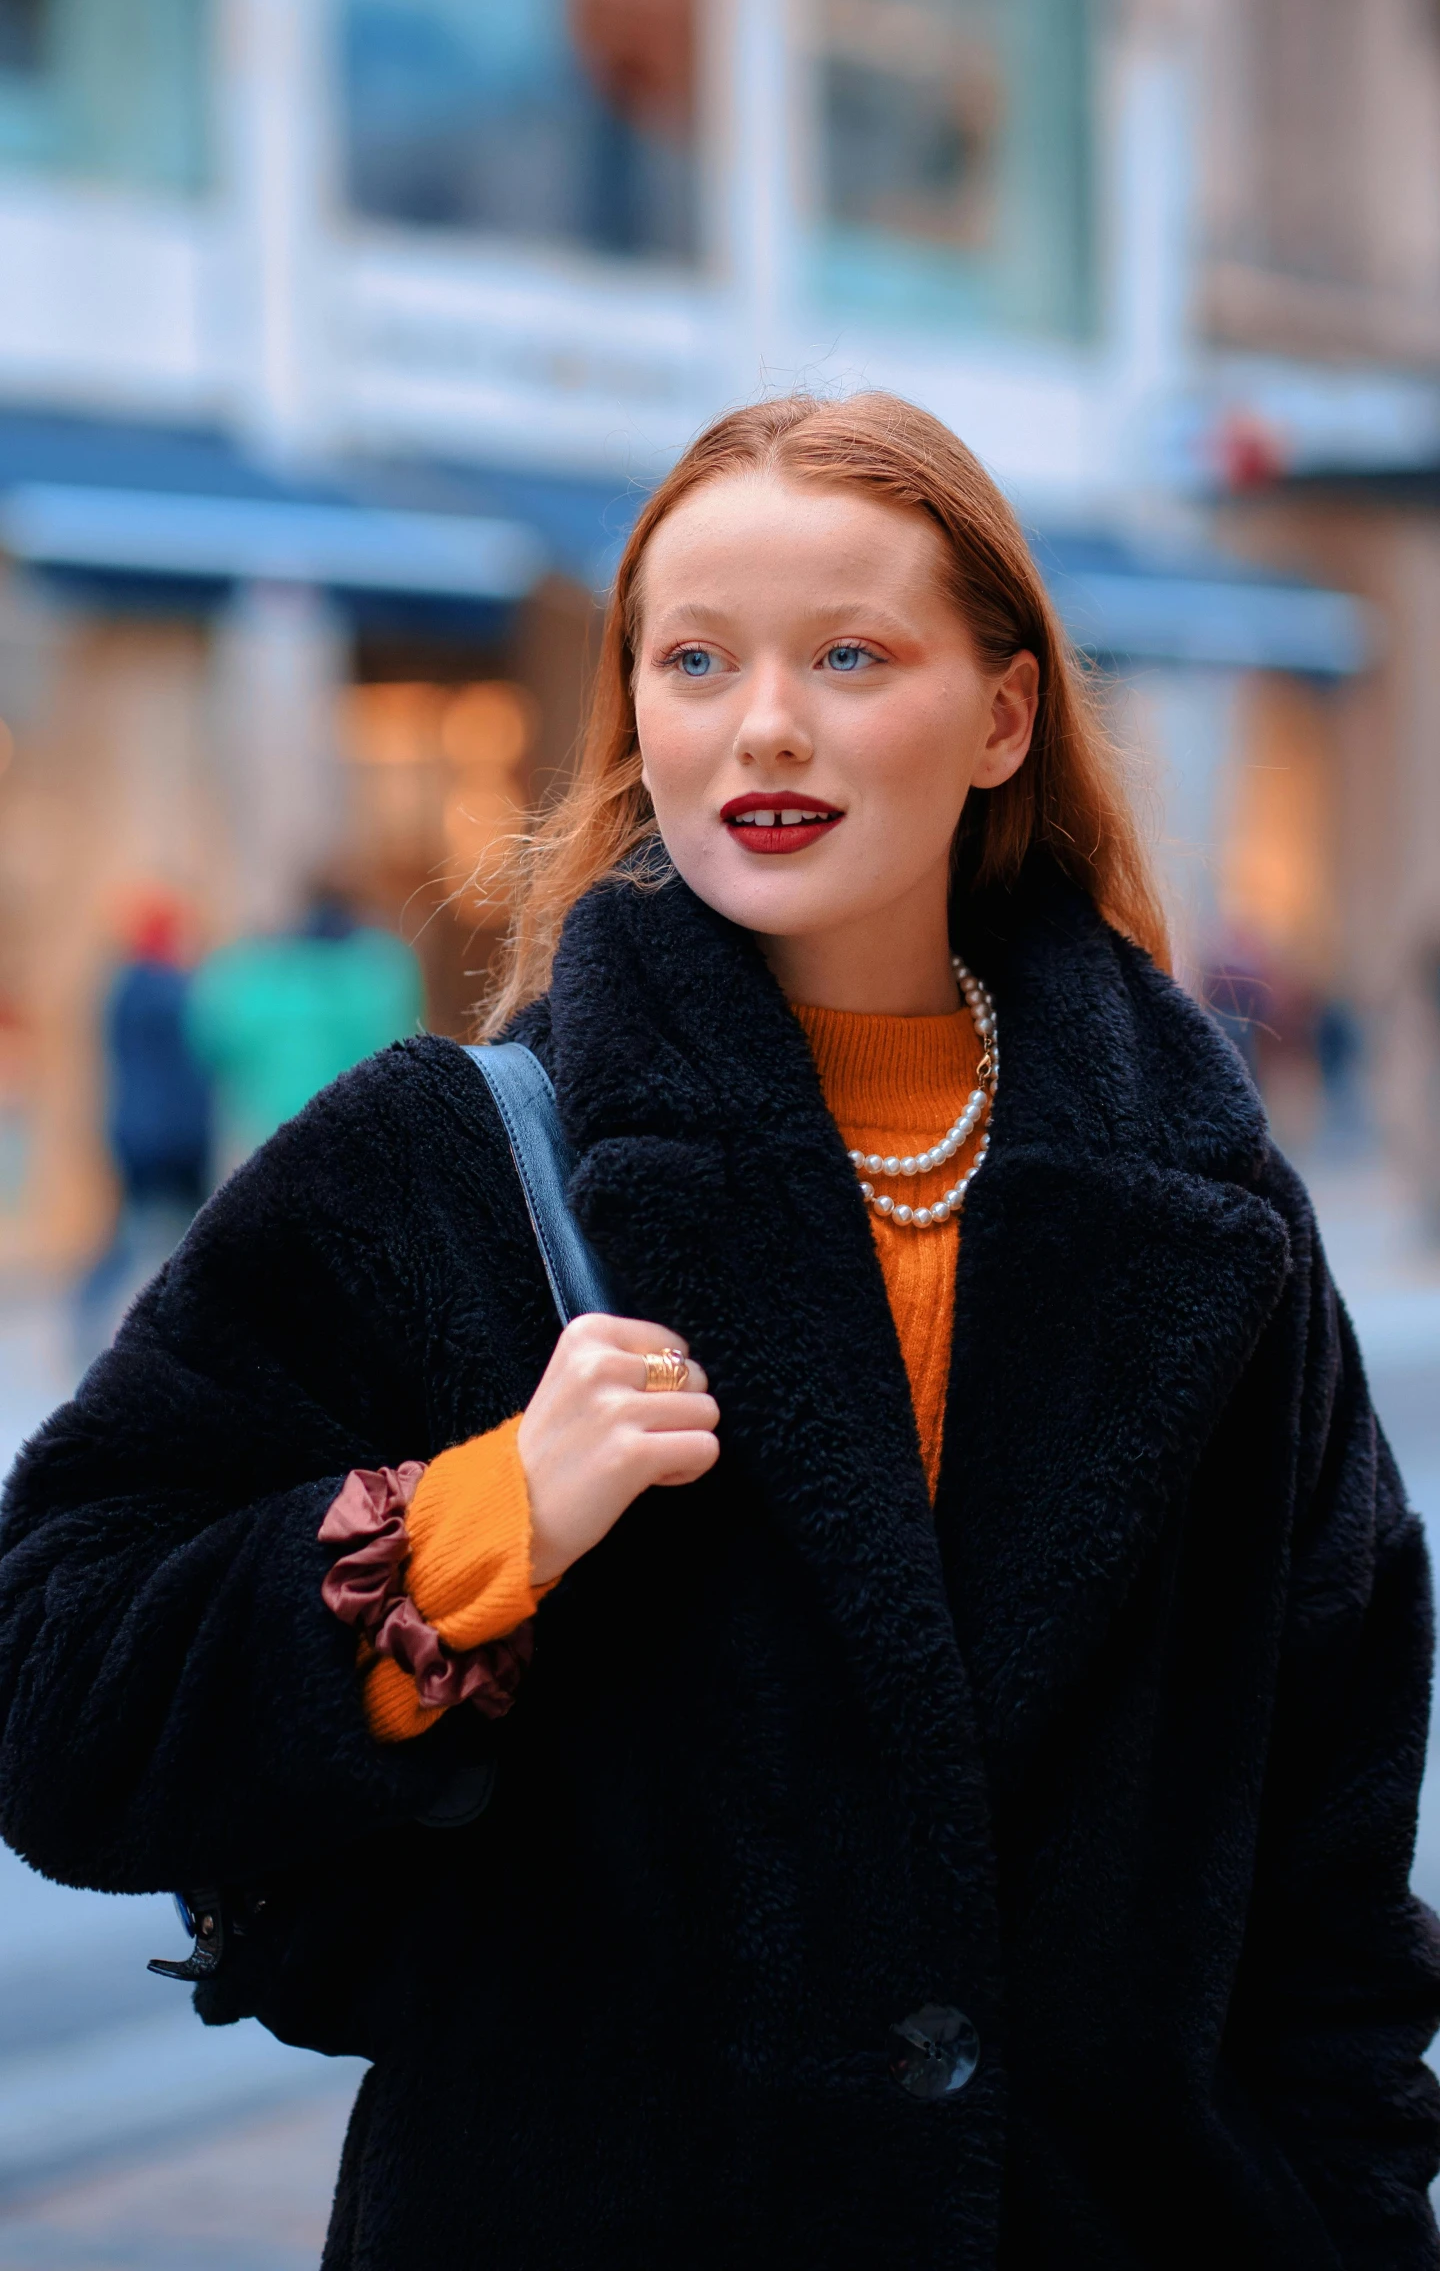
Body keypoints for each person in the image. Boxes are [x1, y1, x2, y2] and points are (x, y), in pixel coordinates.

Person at [1, 393, 1436, 2270]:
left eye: (851, 654)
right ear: (636, 709)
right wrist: (476, 1520)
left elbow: (1330, 1873)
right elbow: (52, 1678)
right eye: (696, 658)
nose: (765, 721)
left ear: (1004, 714)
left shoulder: (1209, 1214)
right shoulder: (438, 1164)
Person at [187, 884, 422, 1175]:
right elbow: (395, 1047)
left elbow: (212, 1042)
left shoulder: (258, 974)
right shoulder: (380, 970)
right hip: (349, 1133)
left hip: (262, 1130)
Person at [73, 891, 211, 1362]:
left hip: (132, 1132)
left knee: (129, 1239)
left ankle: (85, 1325)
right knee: (198, 1238)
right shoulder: (173, 991)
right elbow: (195, 1064)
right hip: (174, 1138)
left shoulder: (122, 989)